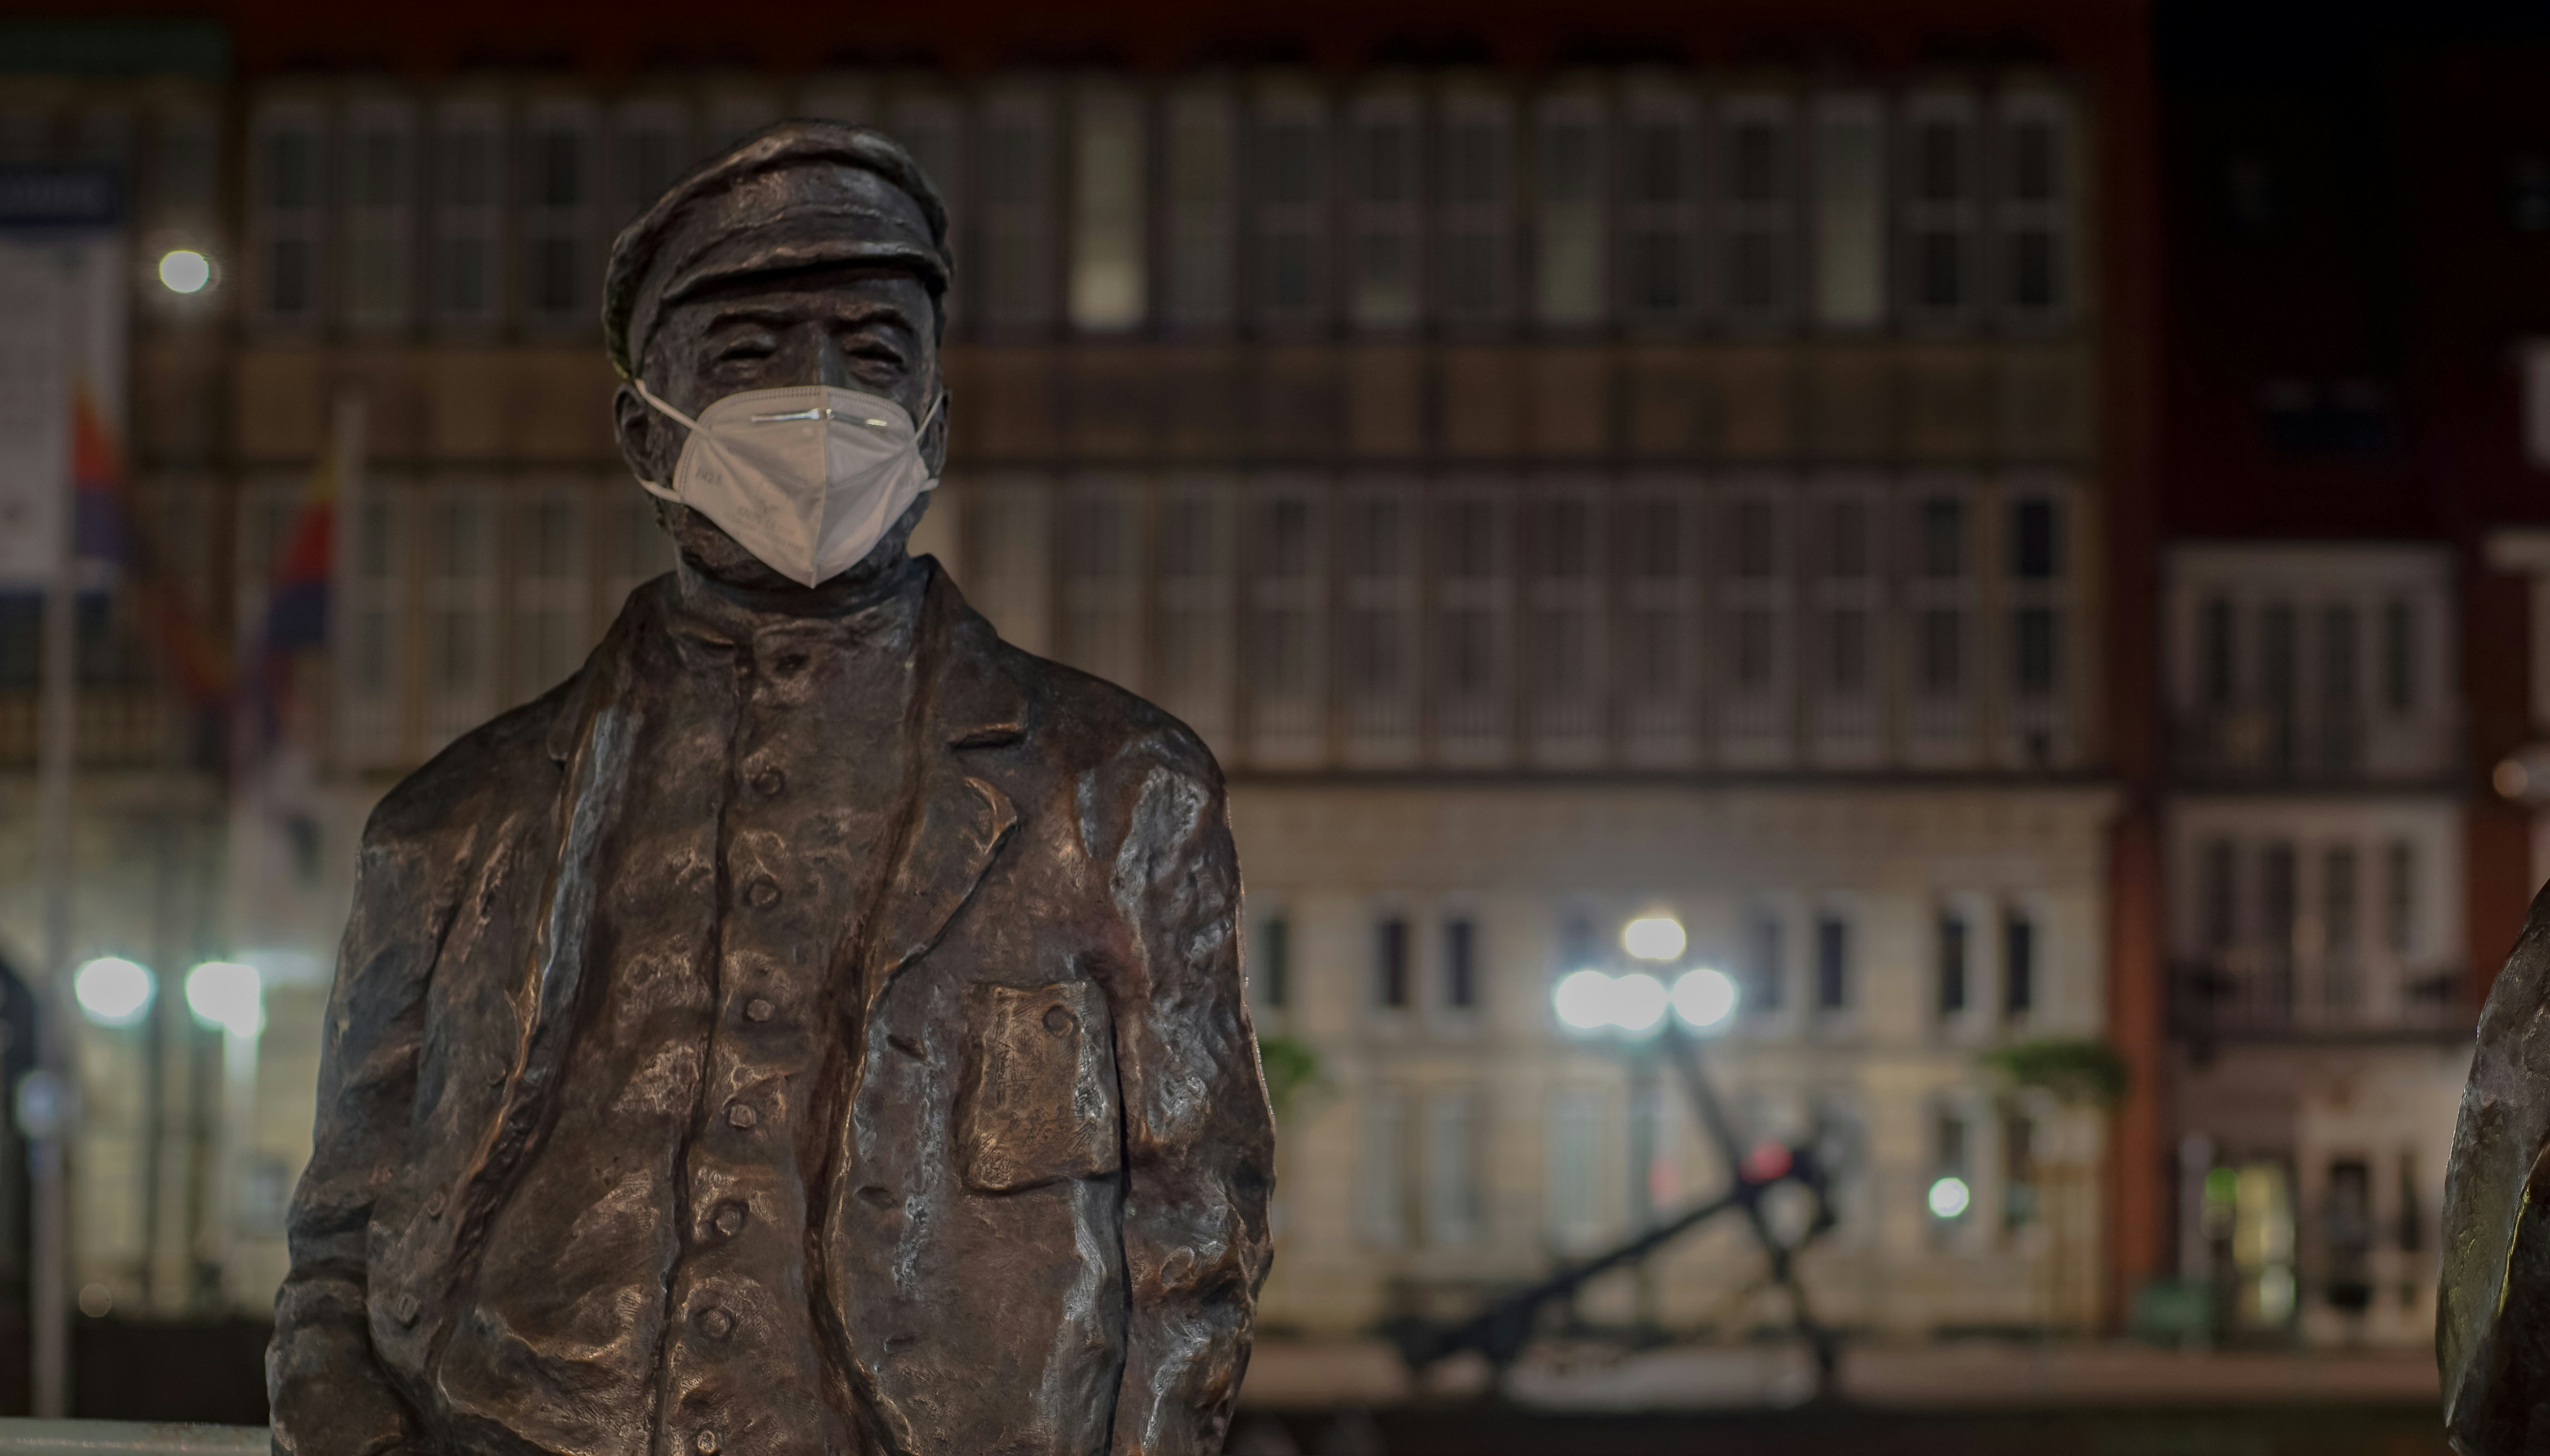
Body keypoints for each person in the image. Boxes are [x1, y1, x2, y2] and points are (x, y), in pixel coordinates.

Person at [266, 121, 1275, 1456]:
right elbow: (337, 1249)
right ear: (646, 429)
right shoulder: (450, 824)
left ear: (934, 421)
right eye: (749, 355)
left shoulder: (1118, 789)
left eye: (875, 353)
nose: (821, 396)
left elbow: (1194, 1239)